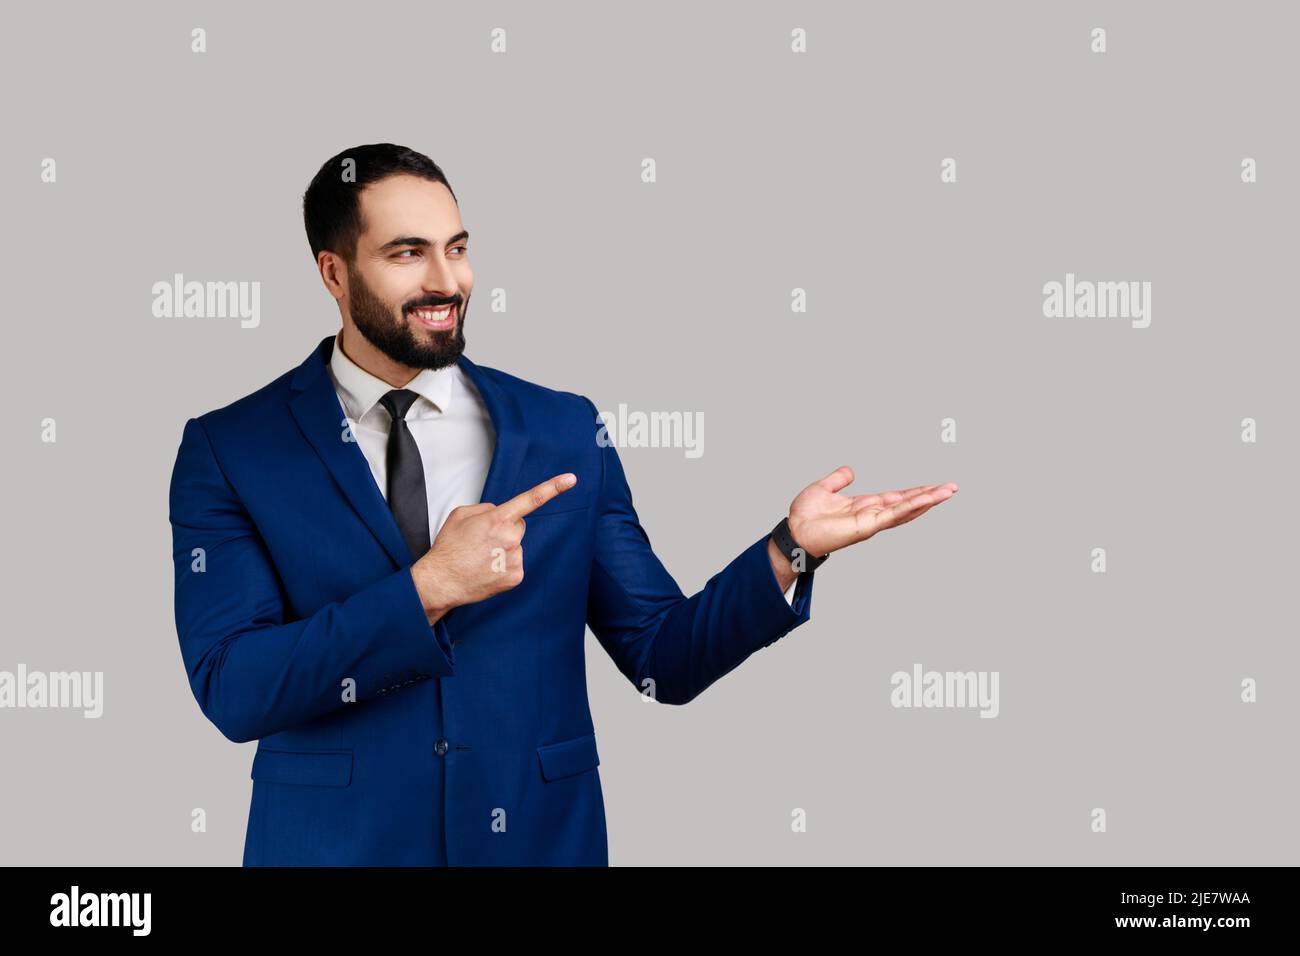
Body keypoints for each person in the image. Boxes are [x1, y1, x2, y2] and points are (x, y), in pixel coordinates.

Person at [167, 142, 958, 866]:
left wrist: (790, 549)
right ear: (333, 272)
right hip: (332, 850)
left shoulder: (564, 428)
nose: (446, 281)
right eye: (407, 254)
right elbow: (235, 687)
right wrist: (429, 588)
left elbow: (662, 657)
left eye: (458, 248)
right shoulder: (232, 448)